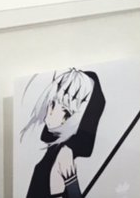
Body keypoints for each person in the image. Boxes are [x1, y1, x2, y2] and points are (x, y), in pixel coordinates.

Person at [20, 68, 106, 198]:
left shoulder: (63, 155)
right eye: (52, 102)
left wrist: (71, 182)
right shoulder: (54, 152)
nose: (49, 109)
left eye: (63, 109)